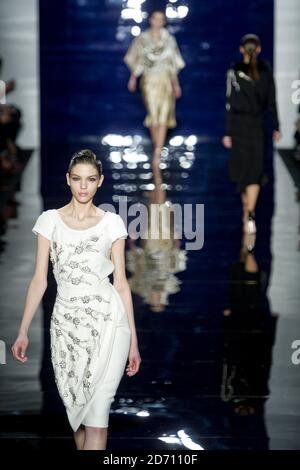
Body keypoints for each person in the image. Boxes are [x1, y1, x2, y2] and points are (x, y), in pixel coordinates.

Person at [11, 149, 141, 450]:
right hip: (67, 328)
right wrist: (22, 330)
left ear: (100, 182)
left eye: (91, 180)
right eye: (78, 179)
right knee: (79, 416)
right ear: (68, 180)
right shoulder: (49, 222)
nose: (84, 186)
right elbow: (39, 280)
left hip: (109, 322)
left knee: (97, 420)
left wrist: (133, 339)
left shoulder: (112, 224)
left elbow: (121, 284)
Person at [222, 34, 281, 234]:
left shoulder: (234, 71)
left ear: (241, 49)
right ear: (259, 49)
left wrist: (227, 132)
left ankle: (248, 210)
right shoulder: (265, 71)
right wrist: (277, 126)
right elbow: (272, 101)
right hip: (257, 125)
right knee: (254, 170)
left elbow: (229, 103)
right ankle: (250, 210)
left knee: (244, 170)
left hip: (240, 126)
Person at [124, 9, 185, 164]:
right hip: (149, 80)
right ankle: (157, 148)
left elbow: (172, 64)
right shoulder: (142, 39)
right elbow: (136, 59)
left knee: (165, 116)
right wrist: (133, 78)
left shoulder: (169, 39)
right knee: (153, 116)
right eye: (155, 18)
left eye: (161, 19)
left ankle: (157, 153)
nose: (158, 21)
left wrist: (176, 84)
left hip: (165, 80)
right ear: (150, 20)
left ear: (164, 21)